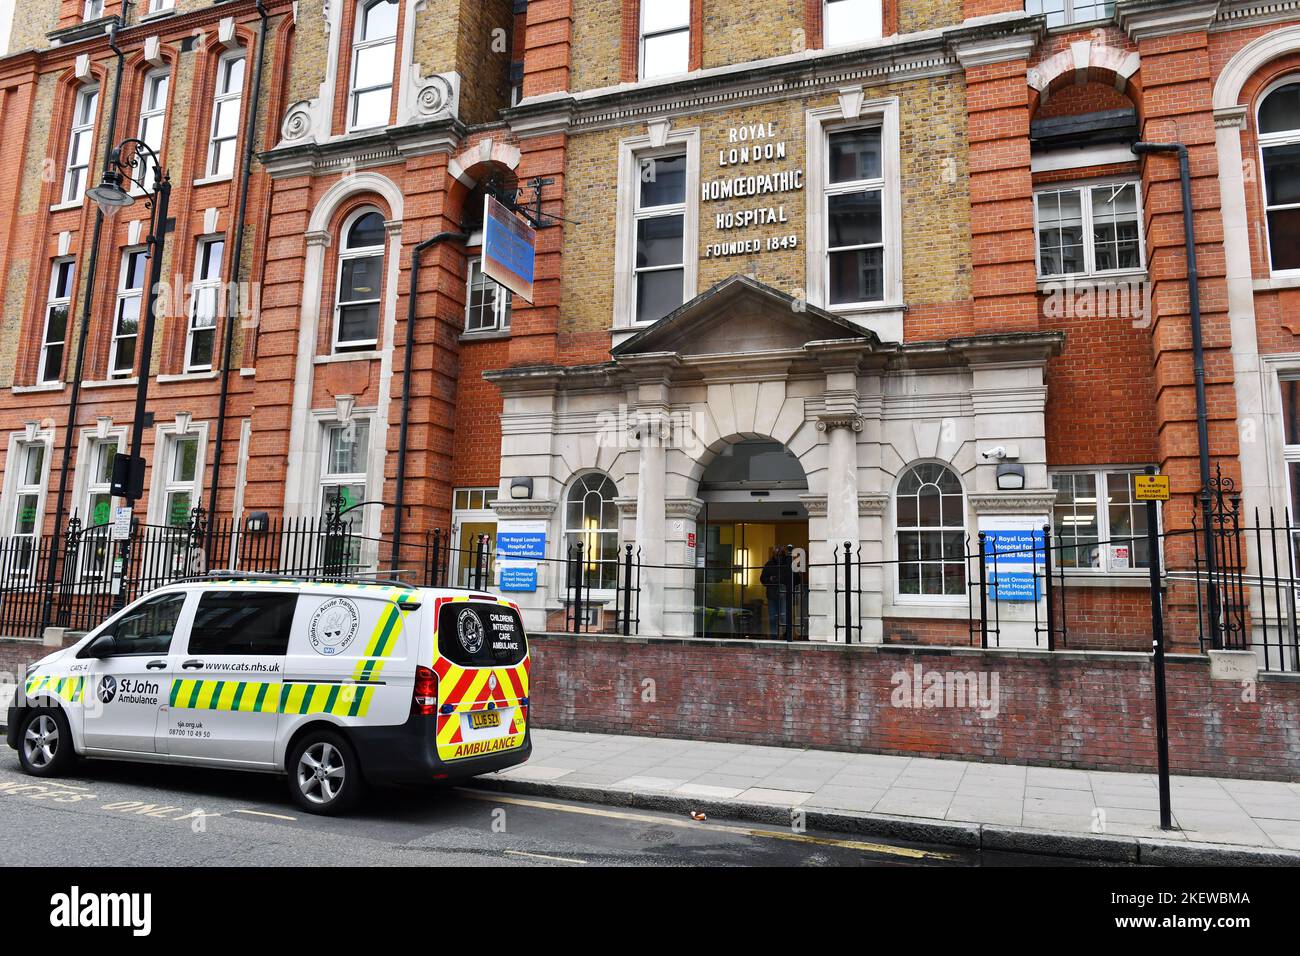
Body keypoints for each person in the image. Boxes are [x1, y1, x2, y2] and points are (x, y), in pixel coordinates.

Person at [760, 547, 792, 638]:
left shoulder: (788, 564)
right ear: (773, 554)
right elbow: (762, 579)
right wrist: (770, 579)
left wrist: (784, 582)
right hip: (772, 595)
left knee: (784, 617)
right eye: (776, 554)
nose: (778, 556)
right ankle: (774, 637)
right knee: (773, 618)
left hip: (784, 594)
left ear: (783, 554)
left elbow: (795, 579)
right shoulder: (769, 565)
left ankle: (787, 636)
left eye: (780, 554)